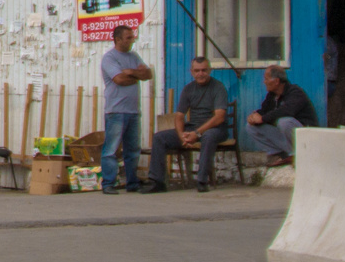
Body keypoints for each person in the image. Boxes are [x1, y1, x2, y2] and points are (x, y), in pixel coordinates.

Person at [142, 57, 229, 193]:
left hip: (215, 129)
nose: (200, 73)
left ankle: (202, 181)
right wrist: (182, 136)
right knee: (159, 138)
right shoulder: (188, 89)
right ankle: (157, 182)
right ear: (191, 72)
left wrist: (197, 133)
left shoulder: (218, 87)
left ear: (210, 70)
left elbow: (219, 117)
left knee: (209, 136)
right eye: (197, 71)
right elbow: (179, 116)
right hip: (192, 129)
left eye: (204, 70)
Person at [99, 24, 154, 194]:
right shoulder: (109, 58)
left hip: (133, 110)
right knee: (111, 149)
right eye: (128, 37)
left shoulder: (133, 56)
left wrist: (130, 72)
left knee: (133, 149)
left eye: (133, 37)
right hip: (116, 110)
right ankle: (108, 183)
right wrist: (135, 75)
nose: (132, 40)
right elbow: (120, 79)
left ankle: (132, 182)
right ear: (117, 39)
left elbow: (148, 74)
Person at [247, 65, 318, 166]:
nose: (264, 82)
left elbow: (287, 111)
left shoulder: (295, 92)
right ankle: (280, 155)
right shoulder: (272, 95)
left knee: (284, 122)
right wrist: (254, 117)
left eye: (266, 79)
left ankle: (297, 155)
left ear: (276, 81)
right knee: (251, 127)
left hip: (306, 138)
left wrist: (262, 118)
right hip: (289, 141)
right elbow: (264, 111)